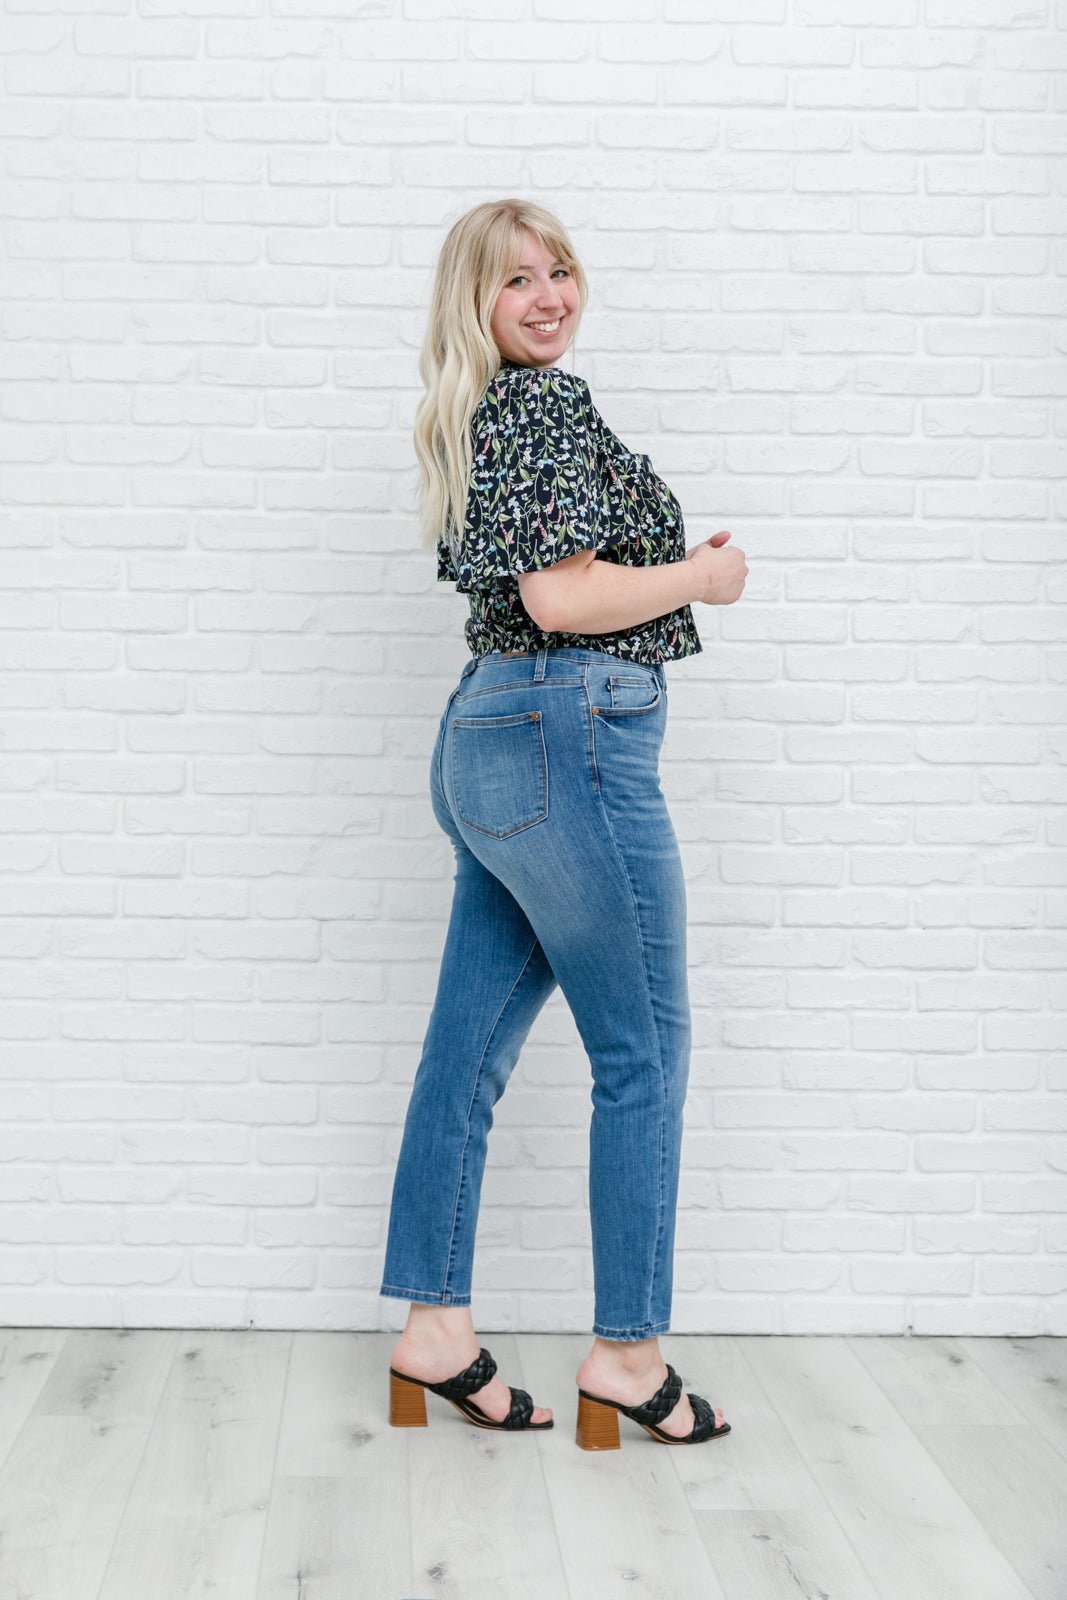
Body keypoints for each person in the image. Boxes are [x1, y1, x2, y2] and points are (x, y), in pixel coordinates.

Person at [380, 199, 748, 1450]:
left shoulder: (478, 413)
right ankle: (628, 1355)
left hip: (489, 735)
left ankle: (434, 1328)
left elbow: (540, 592)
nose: (547, 297)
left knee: (465, 1051)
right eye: (514, 281)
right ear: (473, 305)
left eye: (559, 270)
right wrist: (700, 578)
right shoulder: (540, 405)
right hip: (566, 736)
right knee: (643, 1054)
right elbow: (559, 596)